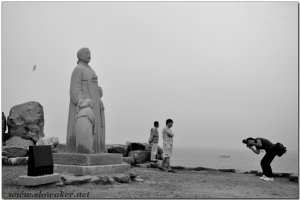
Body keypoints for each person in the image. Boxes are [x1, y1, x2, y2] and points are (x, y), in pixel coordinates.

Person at [66, 47, 106, 153]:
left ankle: (96, 148)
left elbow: (92, 86)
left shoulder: (90, 69)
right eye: (86, 53)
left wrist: (98, 92)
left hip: (94, 106)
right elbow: (74, 88)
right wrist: (81, 101)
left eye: (90, 54)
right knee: (85, 126)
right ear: (79, 55)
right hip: (84, 106)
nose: (89, 55)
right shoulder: (78, 69)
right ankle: (83, 147)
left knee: (95, 130)